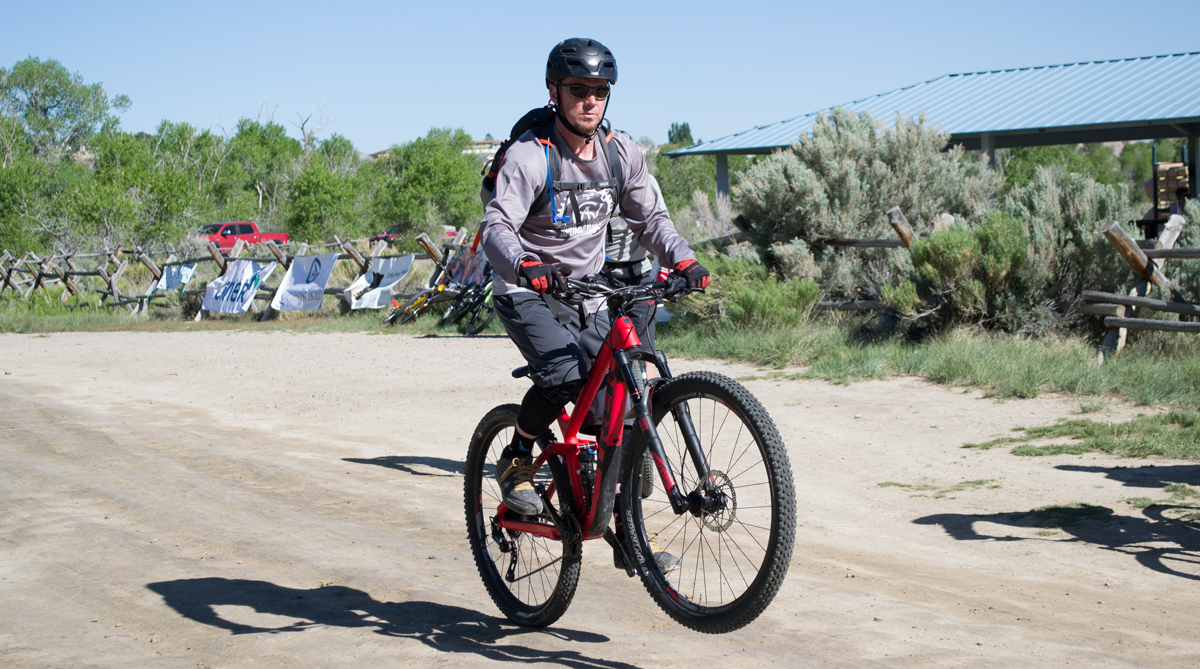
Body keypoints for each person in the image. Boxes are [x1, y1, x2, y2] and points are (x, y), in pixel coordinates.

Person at [480, 38, 709, 521]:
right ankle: (517, 456)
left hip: (587, 289)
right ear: (554, 91)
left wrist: (683, 260)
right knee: (566, 377)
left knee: (620, 399)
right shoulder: (530, 156)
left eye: (600, 90)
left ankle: (626, 530)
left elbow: (652, 222)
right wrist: (525, 264)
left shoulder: (619, 153)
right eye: (578, 89)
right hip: (527, 288)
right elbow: (496, 227)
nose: (590, 100)